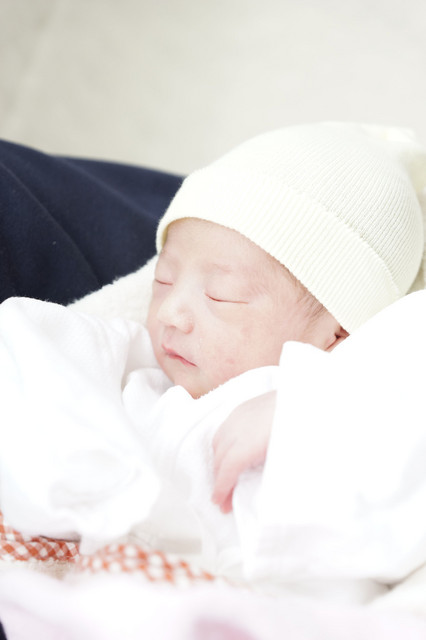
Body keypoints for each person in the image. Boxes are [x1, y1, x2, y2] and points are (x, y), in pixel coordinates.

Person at [143, 121, 426, 512]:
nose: (169, 312)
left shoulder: (352, 409)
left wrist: (310, 409)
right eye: (163, 279)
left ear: (337, 334)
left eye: (221, 295)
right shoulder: (130, 369)